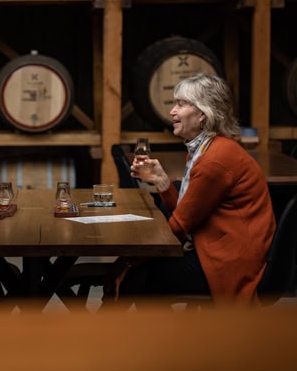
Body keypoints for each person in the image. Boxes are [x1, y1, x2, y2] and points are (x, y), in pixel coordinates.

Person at [105, 73, 276, 306]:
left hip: (229, 261)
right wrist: (163, 182)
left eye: (181, 104)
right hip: (216, 248)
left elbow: (179, 227)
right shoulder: (206, 149)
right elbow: (189, 214)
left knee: (139, 274)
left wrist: (130, 260)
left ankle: (119, 335)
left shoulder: (214, 160)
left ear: (203, 114)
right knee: (138, 270)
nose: (172, 111)